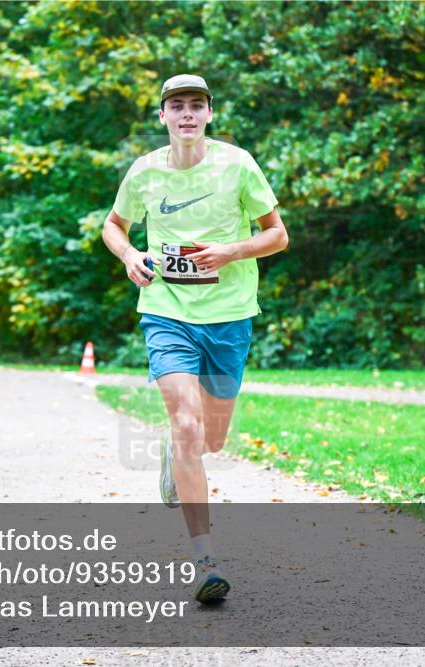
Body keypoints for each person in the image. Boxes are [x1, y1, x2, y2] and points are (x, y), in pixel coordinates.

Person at [102, 74, 288, 603]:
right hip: (166, 311)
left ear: (210, 114)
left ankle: (175, 452)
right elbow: (113, 225)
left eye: (196, 106)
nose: (187, 114)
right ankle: (204, 559)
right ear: (163, 116)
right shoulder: (144, 172)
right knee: (185, 423)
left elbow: (278, 234)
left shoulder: (238, 164)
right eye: (177, 106)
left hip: (229, 316)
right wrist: (130, 255)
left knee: (211, 440)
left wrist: (230, 251)